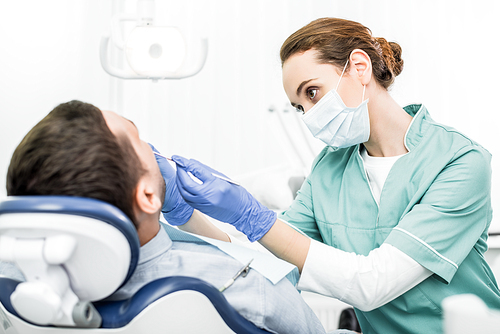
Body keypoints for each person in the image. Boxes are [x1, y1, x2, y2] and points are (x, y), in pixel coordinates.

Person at [164, 18, 500, 333]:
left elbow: (373, 284)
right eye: (299, 107)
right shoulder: (331, 166)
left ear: (359, 67)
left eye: (311, 92)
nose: (308, 116)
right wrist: (184, 212)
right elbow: (266, 259)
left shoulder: (459, 160)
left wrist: (251, 216)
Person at [0, 100, 326, 334]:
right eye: (140, 139)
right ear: (146, 196)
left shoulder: (12, 282)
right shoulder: (248, 287)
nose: (153, 148)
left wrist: (182, 215)